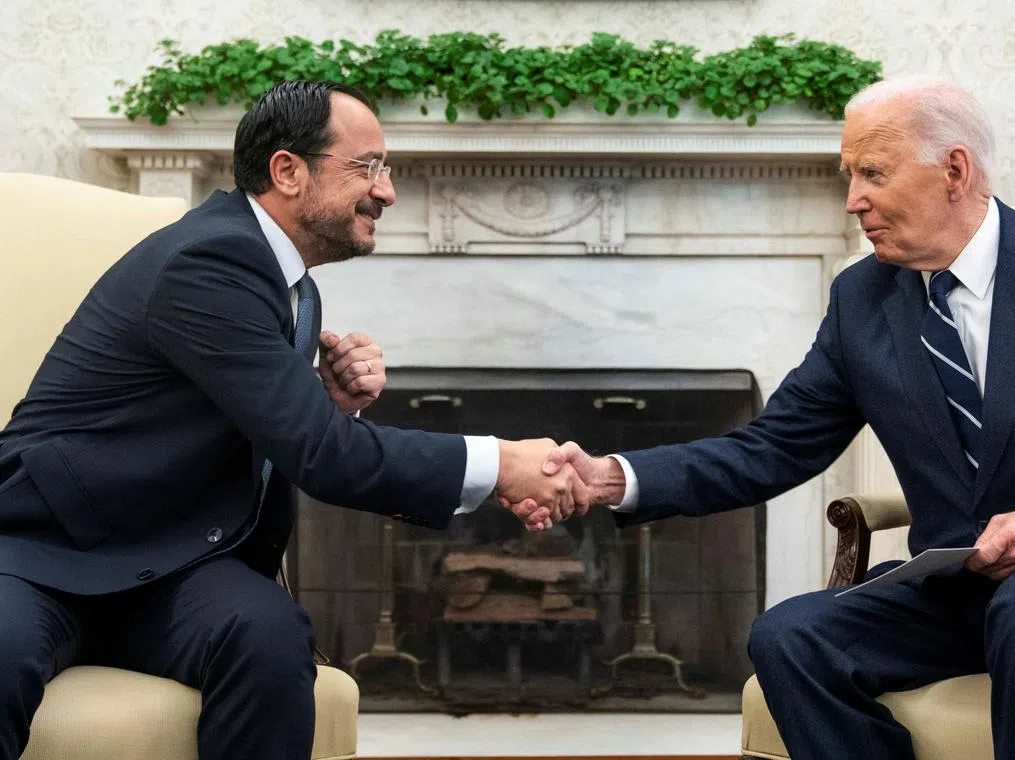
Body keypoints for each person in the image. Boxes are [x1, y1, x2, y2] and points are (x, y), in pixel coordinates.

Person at [518, 76, 1015, 759]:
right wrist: (613, 477)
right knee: (789, 636)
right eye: (850, 176)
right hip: (960, 591)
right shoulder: (864, 300)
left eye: (873, 173)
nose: (853, 202)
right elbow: (773, 447)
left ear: (954, 171)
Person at [0, 79, 585, 760]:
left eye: (385, 169)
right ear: (287, 170)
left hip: (171, 568)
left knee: (269, 635)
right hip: (41, 556)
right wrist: (505, 463)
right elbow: (325, 455)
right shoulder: (211, 260)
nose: (388, 191)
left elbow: (272, 430)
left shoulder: (295, 291)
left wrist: (324, 406)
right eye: (366, 167)